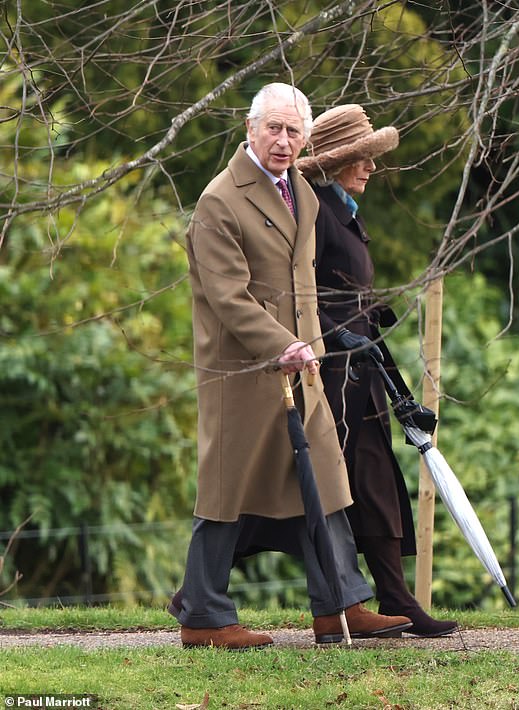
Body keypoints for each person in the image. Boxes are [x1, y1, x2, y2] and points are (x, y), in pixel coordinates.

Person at [169, 84, 413, 649]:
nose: (283, 141)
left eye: (293, 131)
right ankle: (203, 616)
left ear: (305, 137)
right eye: (273, 128)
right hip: (243, 375)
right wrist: (282, 344)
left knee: (326, 481)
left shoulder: (299, 188)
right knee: (228, 494)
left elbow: (304, 281)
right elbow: (228, 297)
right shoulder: (220, 200)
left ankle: (341, 608)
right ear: (249, 130)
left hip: (302, 367)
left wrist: (311, 347)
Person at [294, 104, 458, 637]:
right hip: (331, 377)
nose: (370, 168)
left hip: (362, 373)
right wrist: (334, 332)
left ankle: (395, 597)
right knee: (293, 494)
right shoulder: (314, 212)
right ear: (336, 163)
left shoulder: (343, 210)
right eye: (361, 158)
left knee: (376, 481)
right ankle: (199, 595)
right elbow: (298, 293)